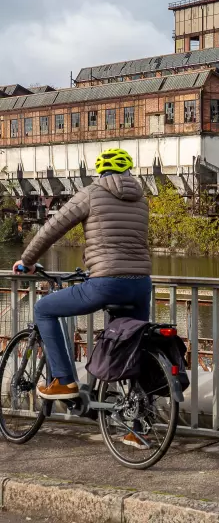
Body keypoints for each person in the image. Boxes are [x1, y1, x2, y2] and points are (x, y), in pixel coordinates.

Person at [13, 148, 152, 417]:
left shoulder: (92, 193)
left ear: (100, 171)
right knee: (135, 346)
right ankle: (138, 426)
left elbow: (53, 228)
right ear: (127, 171)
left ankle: (64, 380)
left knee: (44, 309)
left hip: (106, 283)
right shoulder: (141, 199)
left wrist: (27, 260)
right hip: (141, 284)